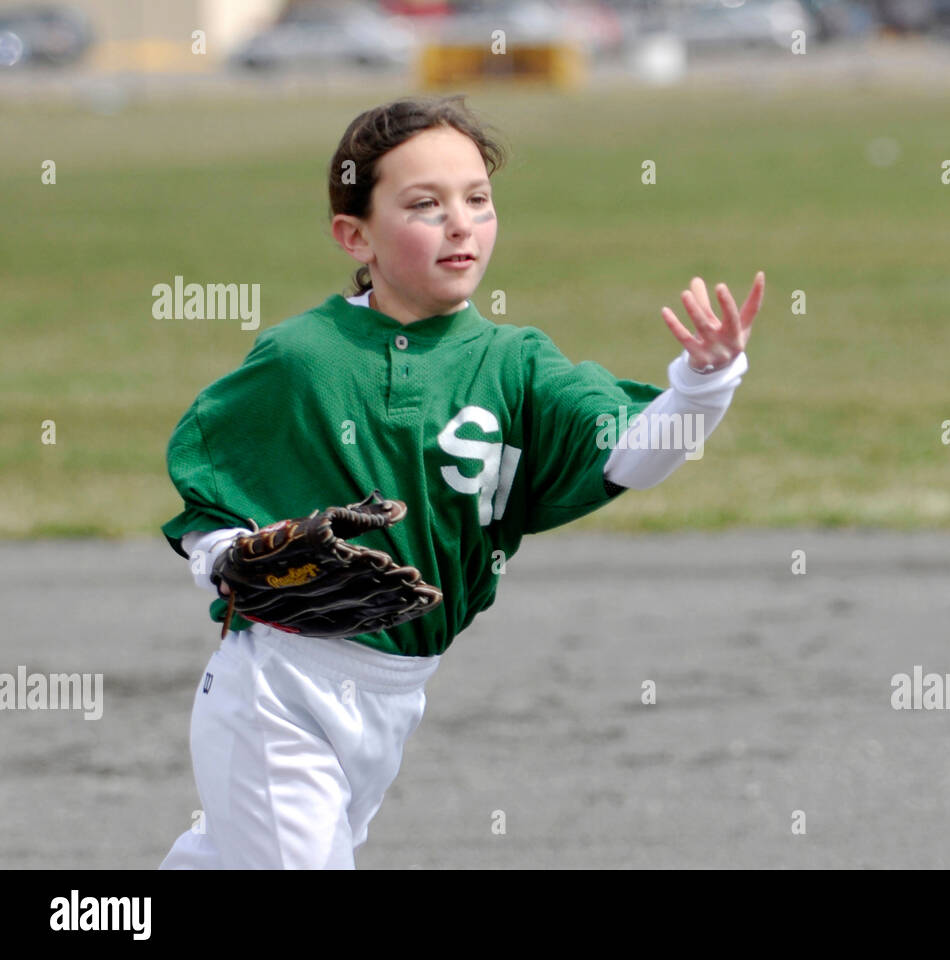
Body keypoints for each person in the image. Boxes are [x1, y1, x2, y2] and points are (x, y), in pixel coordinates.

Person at [158, 95, 764, 869]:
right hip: (281, 688)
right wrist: (227, 557)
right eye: (424, 204)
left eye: (477, 200)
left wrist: (703, 384)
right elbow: (210, 489)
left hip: (395, 692)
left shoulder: (517, 363)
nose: (460, 223)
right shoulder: (302, 357)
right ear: (356, 235)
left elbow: (631, 456)